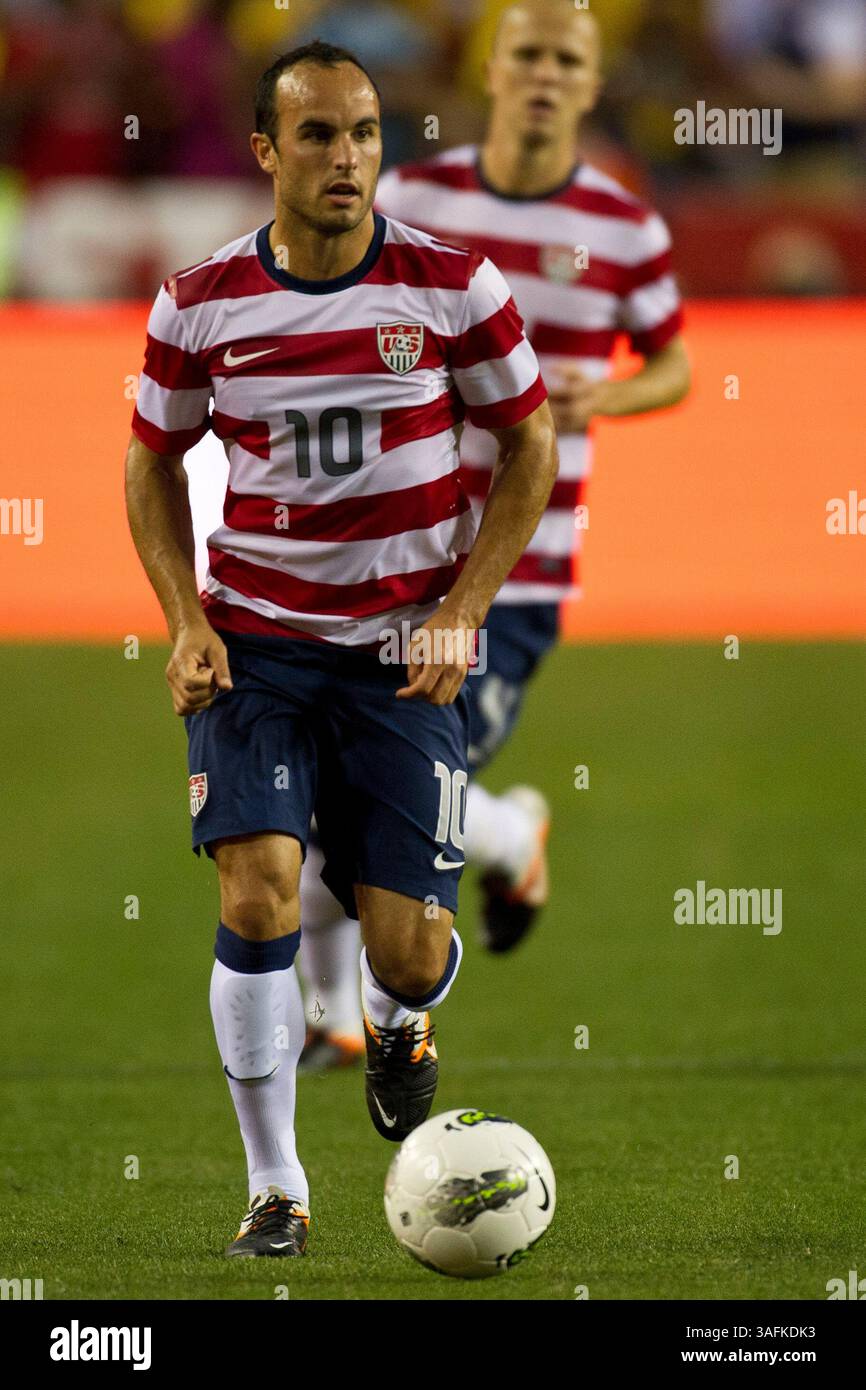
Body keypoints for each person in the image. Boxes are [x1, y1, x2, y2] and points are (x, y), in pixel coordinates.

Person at [124, 39, 557, 1258]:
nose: (347, 158)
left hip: (399, 657)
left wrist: (465, 603)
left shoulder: (452, 288)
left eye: (364, 133)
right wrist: (184, 619)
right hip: (254, 648)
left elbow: (527, 445)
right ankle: (277, 1187)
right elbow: (150, 458)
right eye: (317, 135)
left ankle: (397, 1018)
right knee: (257, 888)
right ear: (265, 151)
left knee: (408, 949)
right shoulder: (200, 301)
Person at [297, 0, 690, 1064]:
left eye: (568, 58)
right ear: (493, 66)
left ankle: (353, 1012)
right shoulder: (415, 194)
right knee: (347, 787)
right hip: (386, 552)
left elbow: (675, 363)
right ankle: (504, 840)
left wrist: (603, 397)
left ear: (591, 82)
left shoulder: (623, 224)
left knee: (390, 789)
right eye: (526, 53)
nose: (545, 74)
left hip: (515, 573)